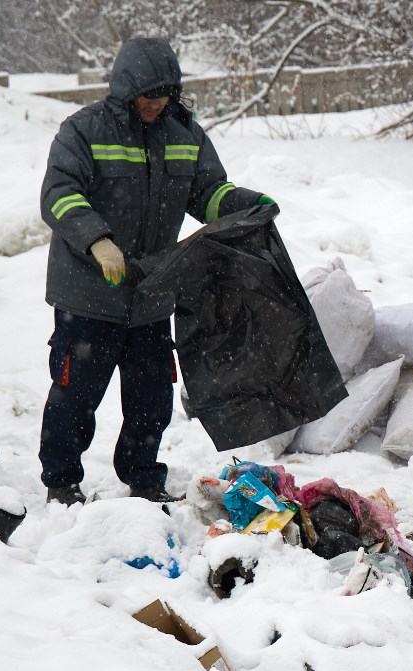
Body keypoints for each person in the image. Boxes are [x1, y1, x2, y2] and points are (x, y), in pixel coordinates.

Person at [38, 38, 274, 505]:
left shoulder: (185, 135)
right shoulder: (83, 130)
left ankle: (144, 477)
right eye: (148, 94)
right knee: (76, 396)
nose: (156, 103)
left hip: (150, 293)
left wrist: (242, 205)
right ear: (125, 88)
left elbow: (208, 193)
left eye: (165, 94)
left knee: (151, 400)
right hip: (89, 293)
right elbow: (59, 192)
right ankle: (62, 482)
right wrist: (97, 240)